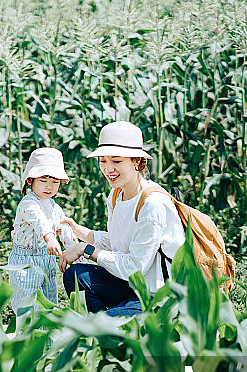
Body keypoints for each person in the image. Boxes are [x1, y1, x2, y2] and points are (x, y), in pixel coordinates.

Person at [58, 121, 185, 315]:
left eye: (116, 161)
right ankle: (107, 331)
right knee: (76, 276)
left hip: (157, 296)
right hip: (130, 286)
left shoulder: (153, 204)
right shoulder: (117, 194)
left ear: (136, 162)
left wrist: (86, 249)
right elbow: (121, 245)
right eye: (103, 161)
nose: (108, 169)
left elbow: (133, 267)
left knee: (102, 326)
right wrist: (81, 232)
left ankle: (111, 329)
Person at [8, 147, 80, 315]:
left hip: (47, 261)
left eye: (55, 182)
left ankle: (48, 341)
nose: (49, 187)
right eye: (44, 180)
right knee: (28, 307)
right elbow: (39, 220)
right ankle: (28, 340)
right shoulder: (28, 203)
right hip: (26, 262)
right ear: (30, 180)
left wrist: (75, 253)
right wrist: (50, 238)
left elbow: (64, 228)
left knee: (49, 305)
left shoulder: (54, 207)